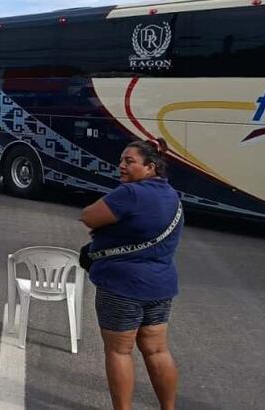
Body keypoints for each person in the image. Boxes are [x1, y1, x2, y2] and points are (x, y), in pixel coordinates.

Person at [79, 138, 182, 410]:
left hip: (122, 286)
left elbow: (89, 216)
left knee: (119, 351)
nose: (121, 166)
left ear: (150, 167)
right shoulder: (172, 195)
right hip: (160, 286)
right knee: (157, 350)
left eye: (129, 161)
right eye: (122, 160)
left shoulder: (130, 194)